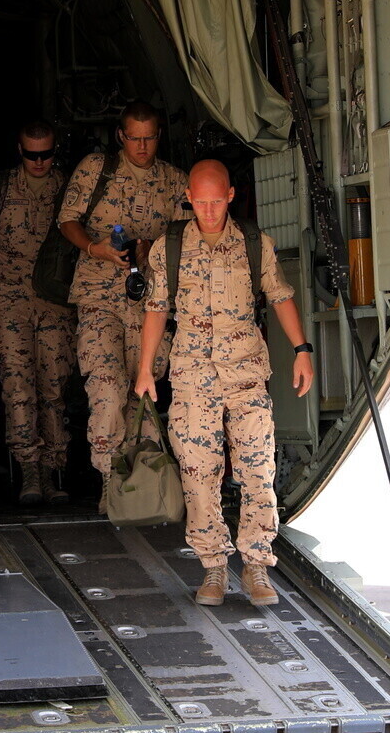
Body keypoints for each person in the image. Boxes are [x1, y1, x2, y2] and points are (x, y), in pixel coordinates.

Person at [133, 160, 312, 607]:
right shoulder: (170, 246)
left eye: (217, 201)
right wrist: (145, 369)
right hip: (192, 377)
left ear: (230, 196)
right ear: (189, 199)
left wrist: (302, 349)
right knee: (198, 473)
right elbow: (156, 308)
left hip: (246, 375)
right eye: (201, 202)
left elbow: (280, 296)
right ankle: (213, 565)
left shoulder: (254, 243)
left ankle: (257, 565)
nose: (209, 211)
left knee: (258, 469)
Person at [59, 104, 189, 483]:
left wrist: (153, 248)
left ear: (159, 136)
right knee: (107, 390)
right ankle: (111, 481)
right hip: (98, 297)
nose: (142, 146)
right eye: (134, 138)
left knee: (142, 394)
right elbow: (67, 219)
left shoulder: (174, 181)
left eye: (149, 138)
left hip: (151, 303)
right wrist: (94, 248)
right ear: (121, 135)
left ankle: (144, 484)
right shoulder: (96, 169)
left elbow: (187, 238)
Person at [0, 121, 74, 505]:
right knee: (17, 386)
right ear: (19, 151)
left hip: (55, 300)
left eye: (46, 154)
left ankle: (53, 469)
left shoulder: (70, 188)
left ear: (55, 151)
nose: (39, 162)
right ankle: (29, 471)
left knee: (53, 387)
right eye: (31, 155)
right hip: (8, 299)